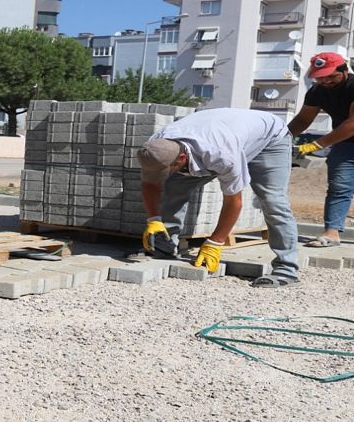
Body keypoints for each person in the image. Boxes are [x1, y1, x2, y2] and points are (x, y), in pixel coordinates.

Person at [138, 108, 299, 288]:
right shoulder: (156, 147)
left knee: (272, 200)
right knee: (175, 183)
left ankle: (286, 268)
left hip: (269, 138)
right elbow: (151, 184)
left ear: (181, 158)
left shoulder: (222, 155)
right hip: (225, 132)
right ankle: (164, 246)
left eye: (167, 169)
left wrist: (215, 241)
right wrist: (153, 220)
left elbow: (233, 201)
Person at [288, 52, 354, 248]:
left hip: (347, 133)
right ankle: (332, 234)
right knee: (339, 186)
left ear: (344, 70)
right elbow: (302, 120)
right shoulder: (317, 92)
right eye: (320, 77)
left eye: (331, 76)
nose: (326, 81)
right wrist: (279, 138)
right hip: (346, 144)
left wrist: (316, 145)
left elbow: (352, 123)